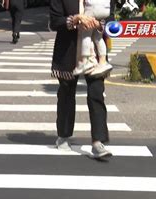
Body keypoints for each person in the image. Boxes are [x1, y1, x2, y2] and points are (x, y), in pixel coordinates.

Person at [50, 0, 113, 158]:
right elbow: (54, 21)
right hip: (68, 51)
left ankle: (98, 141)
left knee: (96, 93)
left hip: (95, 54)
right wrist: (76, 19)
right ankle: (63, 136)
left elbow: (110, 18)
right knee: (66, 93)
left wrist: (98, 24)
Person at [73, 0, 113, 76]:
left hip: (92, 8)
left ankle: (85, 62)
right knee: (98, 38)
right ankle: (103, 61)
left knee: (86, 35)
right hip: (105, 9)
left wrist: (81, 16)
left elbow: (81, 4)